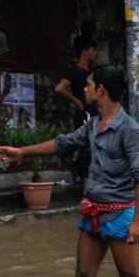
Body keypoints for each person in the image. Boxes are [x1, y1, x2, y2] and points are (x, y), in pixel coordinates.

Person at [0, 66, 139, 277]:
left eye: (88, 84)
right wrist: (21, 151)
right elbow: (62, 143)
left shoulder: (130, 130)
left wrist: (138, 222)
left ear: (101, 90)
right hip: (93, 211)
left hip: (120, 214)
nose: (84, 89)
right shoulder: (93, 124)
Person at [55, 36, 99, 188]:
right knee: (85, 149)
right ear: (84, 52)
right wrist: (76, 101)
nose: (96, 53)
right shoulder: (76, 71)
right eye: (93, 50)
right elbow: (59, 88)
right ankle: (87, 190)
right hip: (84, 115)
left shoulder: (92, 72)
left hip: (94, 114)